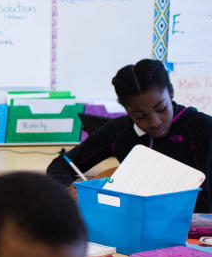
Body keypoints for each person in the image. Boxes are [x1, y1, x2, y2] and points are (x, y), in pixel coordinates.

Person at [47, 58, 212, 212]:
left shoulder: (201, 127)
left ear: (171, 92)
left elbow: (205, 202)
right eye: (140, 116)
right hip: (132, 222)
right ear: (127, 110)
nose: (155, 122)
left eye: (161, 109)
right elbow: (60, 164)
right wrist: (66, 190)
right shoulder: (120, 130)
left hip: (191, 228)